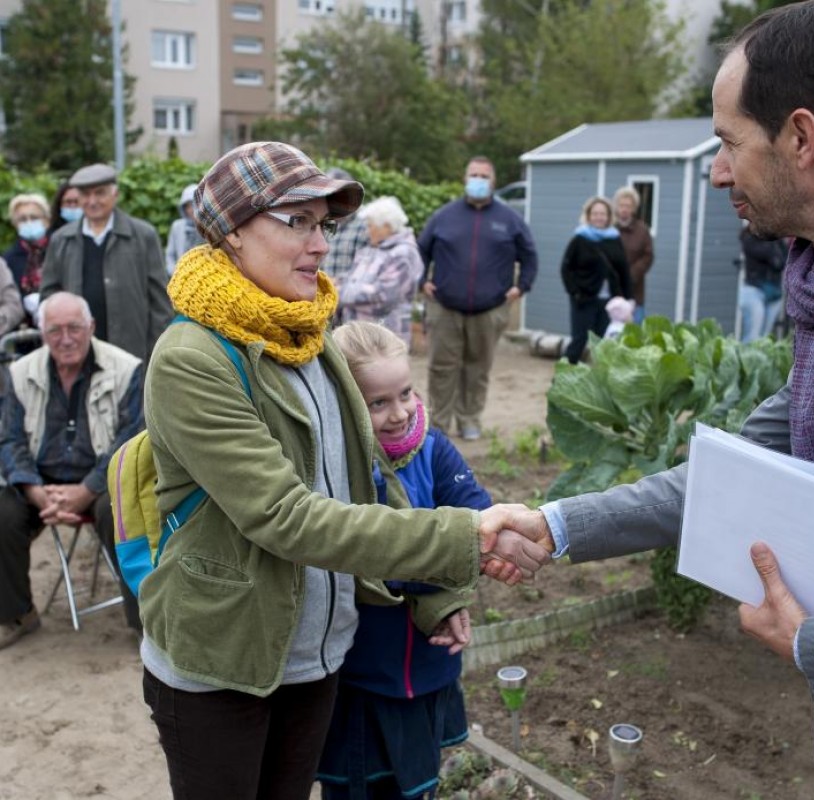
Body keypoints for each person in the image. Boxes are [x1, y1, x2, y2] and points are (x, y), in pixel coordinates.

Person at [498, 2, 814, 797]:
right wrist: (555, 525)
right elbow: (732, 471)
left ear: (802, 139)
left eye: (730, 142)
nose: (717, 169)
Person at [138, 141, 547, 800]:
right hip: (224, 664)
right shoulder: (193, 358)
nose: (322, 244)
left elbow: (369, 485)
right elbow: (286, 517)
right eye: (295, 221)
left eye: (324, 223)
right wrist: (466, 533)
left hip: (318, 657)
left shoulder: (312, 338)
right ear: (233, 233)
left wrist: (438, 591)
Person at [318, 320, 488, 800]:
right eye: (378, 402)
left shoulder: (432, 447)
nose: (399, 413)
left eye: (406, 394)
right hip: (364, 671)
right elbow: (373, 558)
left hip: (430, 665)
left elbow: (478, 520)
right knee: (357, 787)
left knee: (416, 785)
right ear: (346, 404)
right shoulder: (342, 468)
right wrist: (444, 592)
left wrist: (460, 573)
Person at [0, 292, 144, 648]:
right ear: (41, 332)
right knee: (2, 512)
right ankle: (17, 612)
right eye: (55, 330)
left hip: (101, 477)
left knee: (121, 509)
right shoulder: (19, 372)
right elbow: (10, 440)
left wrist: (86, 490)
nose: (66, 339)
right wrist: (33, 489)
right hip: (41, 480)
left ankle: (144, 620)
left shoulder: (126, 368)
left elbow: (130, 441)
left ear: (91, 327)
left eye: (75, 328)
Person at [418, 156, 538, 440]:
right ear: (465, 179)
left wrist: (521, 287)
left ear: (493, 182)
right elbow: (420, 252)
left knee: (477, 369)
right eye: (474, 174)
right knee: (442, 368)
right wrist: (422, 282)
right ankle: (438, 424)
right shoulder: (444, 216)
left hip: (489, 310)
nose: (479, 180)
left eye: (484, 176)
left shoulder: (510, 220)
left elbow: (530, 255)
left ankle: (470, 420)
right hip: (445, 308)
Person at [41, 163, 172, 363]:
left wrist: (156, 349)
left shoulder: (142, 235)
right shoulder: (62, 239)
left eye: (100, 193)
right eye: (85, 195)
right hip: (77, 353)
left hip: (131, 351)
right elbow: (49, 294)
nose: (92, 201)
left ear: (115, 194)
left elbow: (160, 301)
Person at [337, 196, 424, 349]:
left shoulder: (404, 253)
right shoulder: (372, 249)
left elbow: (384, 294)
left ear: (387, 226)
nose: (367, 231)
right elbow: (355, 278)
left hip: (385, 338)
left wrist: (337, 292)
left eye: (371, 226)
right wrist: (335, 281)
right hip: (361, 334)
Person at [559, 196, 632, 364]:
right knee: (579, 341)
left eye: (603, 214)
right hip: (584, 300)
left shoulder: (614, 239)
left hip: (609, 304)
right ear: (589, 216)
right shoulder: (579, 239)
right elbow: (565, 269)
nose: (599, 217)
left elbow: (624, 271)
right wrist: (575, 292)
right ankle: (562, 380)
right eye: (595, 213)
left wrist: (628, 299)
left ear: (608, 216)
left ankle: (599, 384)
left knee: (605, 345)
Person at [4, 193, 51, 326]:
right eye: (23, 219)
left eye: (34, 217)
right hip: (23, 330)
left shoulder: (59, 249)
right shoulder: (9, 258)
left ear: (46, 220)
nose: (29, 222)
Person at [737, 224, 787, 342]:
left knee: (764, 339)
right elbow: (773, 258)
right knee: (752, 338)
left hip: (774, 293)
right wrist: (774, 243)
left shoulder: (777, 241)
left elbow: (782, 261)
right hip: (754, 291)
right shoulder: (749, 239)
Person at [612, 186, 654, 323]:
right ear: (616, 207)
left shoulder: (642, 230)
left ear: (634, 208)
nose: (624, 209)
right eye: (621, 205)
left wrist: (631, 274)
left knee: (634, 334)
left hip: (634, 292)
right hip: (611, 292)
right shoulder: (609, 228)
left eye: (628, 206)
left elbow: (648, 256)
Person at [321, 168, 370, 279]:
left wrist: (339, 282)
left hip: (347, 293)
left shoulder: (365, 224)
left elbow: (366, 268)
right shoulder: (321, 221)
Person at [164, 183, 205, 276]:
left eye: (194, 204)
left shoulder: (208, 227)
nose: (190, 209)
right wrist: (175, 273)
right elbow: (170, 254)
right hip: (179, 276)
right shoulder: (177, 226)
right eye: (187, 206)